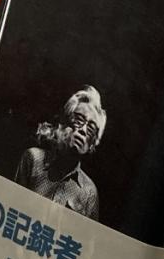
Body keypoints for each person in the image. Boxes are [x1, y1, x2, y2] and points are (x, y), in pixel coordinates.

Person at [15, 85, 106, 221]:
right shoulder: (33, 159)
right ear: (64, 123)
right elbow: (11, 207)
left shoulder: (89, 192)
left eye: (91, 129)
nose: (83, 130)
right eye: (79, 120)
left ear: (92, 144)